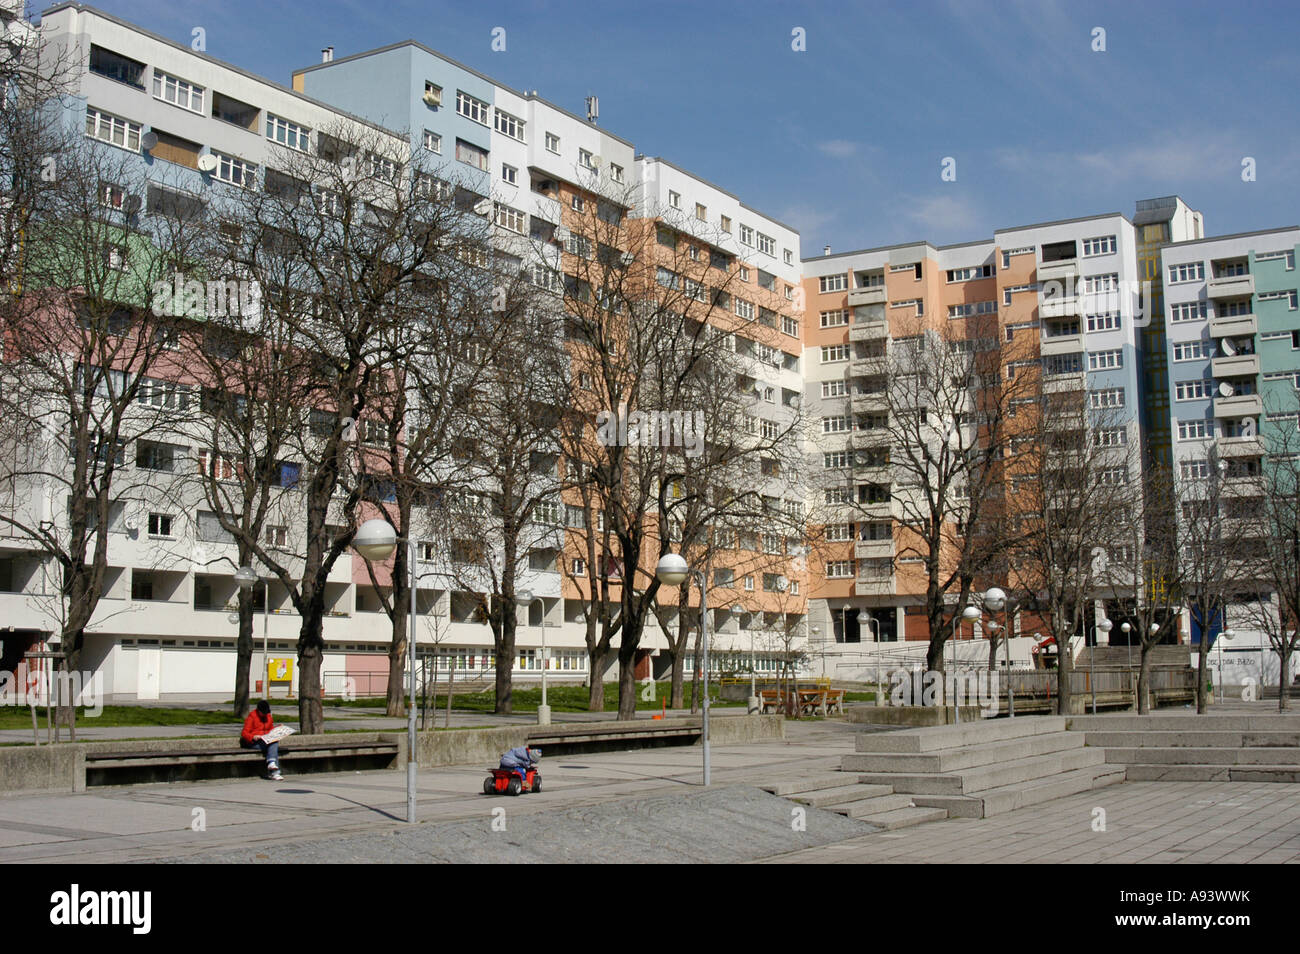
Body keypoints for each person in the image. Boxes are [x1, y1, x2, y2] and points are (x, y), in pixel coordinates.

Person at [241, 700, 283, 780]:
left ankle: (272, 764)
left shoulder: (268, 717)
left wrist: (277, 728)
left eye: (266, 712)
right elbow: (244, 733)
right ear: (258, 711)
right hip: (252, 742)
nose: (265, 714)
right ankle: (274, 772)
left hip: (265, 740)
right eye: (263, 712)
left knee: (273, 742)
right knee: (273, 746)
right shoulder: (252, 717)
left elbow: (270, 730)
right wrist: (253, 736)